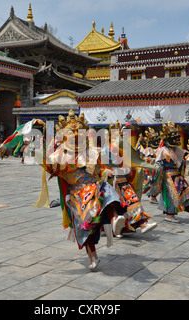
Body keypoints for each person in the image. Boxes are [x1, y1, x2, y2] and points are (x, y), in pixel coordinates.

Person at [34, 110, 126, 271]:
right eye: (71, 133)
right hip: (77, 196)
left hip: (93, 187)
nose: (76, 136)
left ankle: (114, 218)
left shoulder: (92, 152)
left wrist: (106, 172)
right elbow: (49, 167)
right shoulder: (59, 156)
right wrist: (40, 143)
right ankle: (92, 257)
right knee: (85, 227)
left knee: (106, 190)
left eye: (79, 133)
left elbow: (101, 169)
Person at [148, 121, 189, 223]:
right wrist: (156, 169)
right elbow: (158, 163)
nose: (177, 138)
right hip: (167, 176)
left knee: (186, 190)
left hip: (176, 175)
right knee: (173, 195)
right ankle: (170, 215)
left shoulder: (176, 150)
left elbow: (182, 162)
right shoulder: (162, 150)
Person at [103, 121, 158, 237]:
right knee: (115, 207)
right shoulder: (105, 151)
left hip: (123, 182)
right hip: (110, 184)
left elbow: (132, 163)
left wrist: (138, 167)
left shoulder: (124, 151)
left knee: (133, 203)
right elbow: (98, 168)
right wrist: (106, 172)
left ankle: (143, 224)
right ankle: (116, 229)